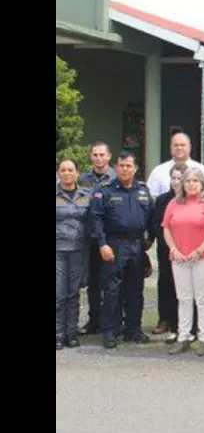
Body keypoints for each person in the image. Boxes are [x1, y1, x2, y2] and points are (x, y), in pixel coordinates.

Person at [90, 152, 155, 349]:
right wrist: (102, 244)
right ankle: (110, 332)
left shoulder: (143, 191)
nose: (125, 169)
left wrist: (149, 240)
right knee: (112, 290)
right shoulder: (105, 191)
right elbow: (95, 219)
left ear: (135, 168)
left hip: (137, 245)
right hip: (114, 245)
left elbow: (151, 219)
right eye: (121, 166)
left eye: (129, 166)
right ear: (116, 168)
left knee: (135, 290)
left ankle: (133, 330)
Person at [161, 168, 204, 356]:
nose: (191, 184)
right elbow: (166, 228)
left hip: (202, 257)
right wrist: (173, 249)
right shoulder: (173, 203)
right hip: (179, 257)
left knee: (202, 298)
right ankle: (183, 337)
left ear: (202, 183)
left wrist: (200, 249)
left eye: (195, 181)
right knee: (184, 298)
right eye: (188, 181)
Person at [149, 163, 198, 344]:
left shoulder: (195, 199)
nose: (176, 181)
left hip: (189, 252)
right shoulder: (163, 200)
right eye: (174, 178)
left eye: (180, 178)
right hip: (167, 250)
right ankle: (168, 321)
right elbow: (156, 224)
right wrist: (170, 246)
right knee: (167, 285)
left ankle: (191, 326)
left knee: (188, 290)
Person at [78, 140, 117, 335]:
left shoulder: (117, 178)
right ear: (90, 156)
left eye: (102, 155)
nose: (99, 159)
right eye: (95, 155)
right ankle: (94, 320)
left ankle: (113, 321)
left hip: (110, 238)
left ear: (109, 156)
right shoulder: (82, 179)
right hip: (89, 238)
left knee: (111, 281)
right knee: (92, 281)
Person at [56, 158, 93, 350]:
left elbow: (92, 221)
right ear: (58, 173)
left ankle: (71, 333)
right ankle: (58, 334)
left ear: (77, 173)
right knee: (58, 293)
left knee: (73, 293)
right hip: (58, 251)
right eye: (63, 170)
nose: (67, 173)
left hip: (79, 250)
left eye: (71, 170)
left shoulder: (86, 195)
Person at [147, 132, 204, 198]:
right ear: (170, 147)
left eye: (182, 145)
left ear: (190, 147)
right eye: (176, 145)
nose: (179, 148)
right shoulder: (158, 171)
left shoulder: (202, 170)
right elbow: (152, 197)